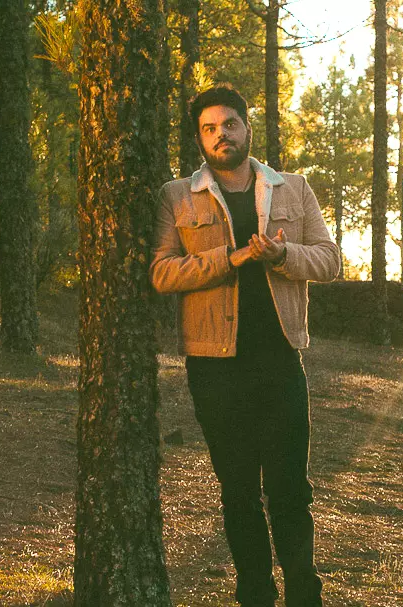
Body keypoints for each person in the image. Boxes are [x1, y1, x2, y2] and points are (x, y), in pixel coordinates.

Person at [150, 83, 341, 607]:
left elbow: (330, 260)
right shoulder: (176, 196)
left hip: (280, 361)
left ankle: (304, 596)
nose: (221, 135)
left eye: (229, 124)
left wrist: (282, 256)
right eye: (209, 128)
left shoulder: (293, 188)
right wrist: (227, 260)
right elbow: (162, 273)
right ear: (199, 138)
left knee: (290, 492)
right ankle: (255, 594)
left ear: (247, 127)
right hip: (214, 367)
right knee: (238, 493)